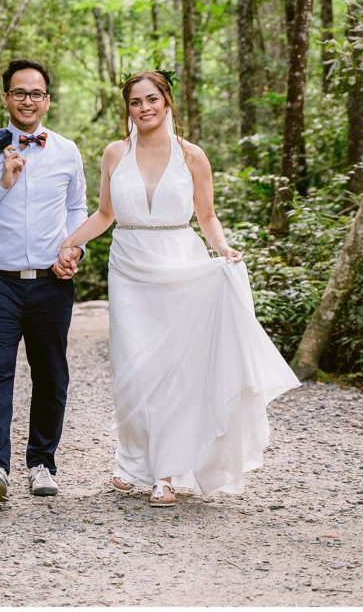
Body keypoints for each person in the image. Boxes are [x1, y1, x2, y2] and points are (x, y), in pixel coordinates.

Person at [58, 71, 300, 507]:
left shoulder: (192, 156)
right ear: (127, 108)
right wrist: (69, 242)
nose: (144, 108)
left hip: (179, 262)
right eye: (135, 102)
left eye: (152, 99)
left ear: (167, 101)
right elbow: (104, 213)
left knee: (172, 371)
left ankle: (164, 474)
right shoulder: (115, 154)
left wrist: (223, 248)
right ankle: (131, 461)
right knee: (132, 369)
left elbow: (206, 217)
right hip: (129, 266)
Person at [0, 59, 88, 503]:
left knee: (51, 375)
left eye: (37, 93)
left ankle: (42, 463)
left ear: (47, 100)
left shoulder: (67, 151)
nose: (29, 100)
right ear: (5, 98)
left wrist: (75, 249)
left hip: (51, 283)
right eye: (20, 92)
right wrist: (2, 184)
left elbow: (77, 209)